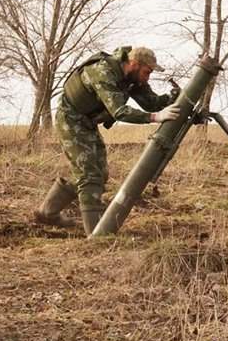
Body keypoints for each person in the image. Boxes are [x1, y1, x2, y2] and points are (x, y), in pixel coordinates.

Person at [34, 46, 182, 234]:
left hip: (87, 123)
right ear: (134, 64)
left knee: (99, 173)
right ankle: (97, 234)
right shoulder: (102, 71)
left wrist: (171, 99)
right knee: (89, 174)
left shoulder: (131, 77)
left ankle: (46, 213)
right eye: (147, 72)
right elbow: (118, 111)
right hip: (70, 120)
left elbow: (151, 103)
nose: (148, 77)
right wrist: (155, 117)